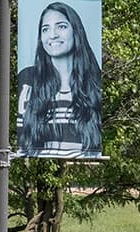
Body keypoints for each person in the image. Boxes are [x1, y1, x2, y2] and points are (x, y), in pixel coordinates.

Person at [16, 2, 102, 158]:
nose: (52, 35)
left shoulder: (95, 83)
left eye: (61, 27)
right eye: (45, 29)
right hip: (36, 167)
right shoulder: (28, 80)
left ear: (76, 31)